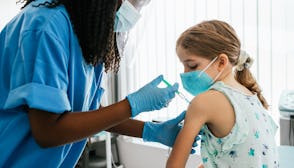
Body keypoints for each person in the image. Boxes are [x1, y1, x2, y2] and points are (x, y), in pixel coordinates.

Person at [0, 0, 197, 167]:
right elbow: (47, 131)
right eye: (132, 3)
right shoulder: (45, 26)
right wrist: (131, 105)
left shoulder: (85, 33)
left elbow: (89, 112)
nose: (133, 13)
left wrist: (151, 131)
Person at [166, 20, 279, 168]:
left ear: (221, 62)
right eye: (183, 66)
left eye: (192, 65)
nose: (185, 73)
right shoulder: (250, 96)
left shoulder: (203, 102)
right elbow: (232, 159)